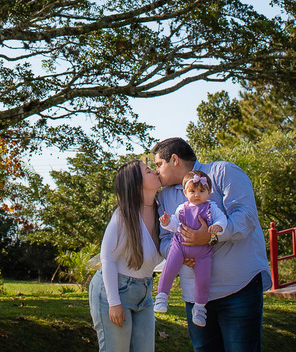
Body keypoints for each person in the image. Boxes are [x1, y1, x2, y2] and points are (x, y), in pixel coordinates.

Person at [151, 137, 271, 352]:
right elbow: (165, 240)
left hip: (238, 288)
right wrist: (180, 253)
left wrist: (210, 237)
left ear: (175, 160)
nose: (157, 171)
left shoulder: (223, 172)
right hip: (195, 297)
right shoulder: (165, 196)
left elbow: (246, 218)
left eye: (159, 164)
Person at [88, 159, 165, 352]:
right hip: (113, 291)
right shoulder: (123, 215)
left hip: (144, 292)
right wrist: (114, 303)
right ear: (137, 184)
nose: (155, 172)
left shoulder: (162, 211)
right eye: (148, 171)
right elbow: (108, 259)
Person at [154, 170, 228, 325]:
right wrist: (166, 222)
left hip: (203, 252)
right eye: (192, 191)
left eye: (202, 191)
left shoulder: (211, 207)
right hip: (180, 246)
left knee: (203, 280)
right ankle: (162, 296)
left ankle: (200, 308)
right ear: (185, 193)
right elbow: (175, 226)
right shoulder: (182, 208)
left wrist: (218, 227)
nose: (197, 194)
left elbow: (222, 219)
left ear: (209, 192)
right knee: (170, 269)